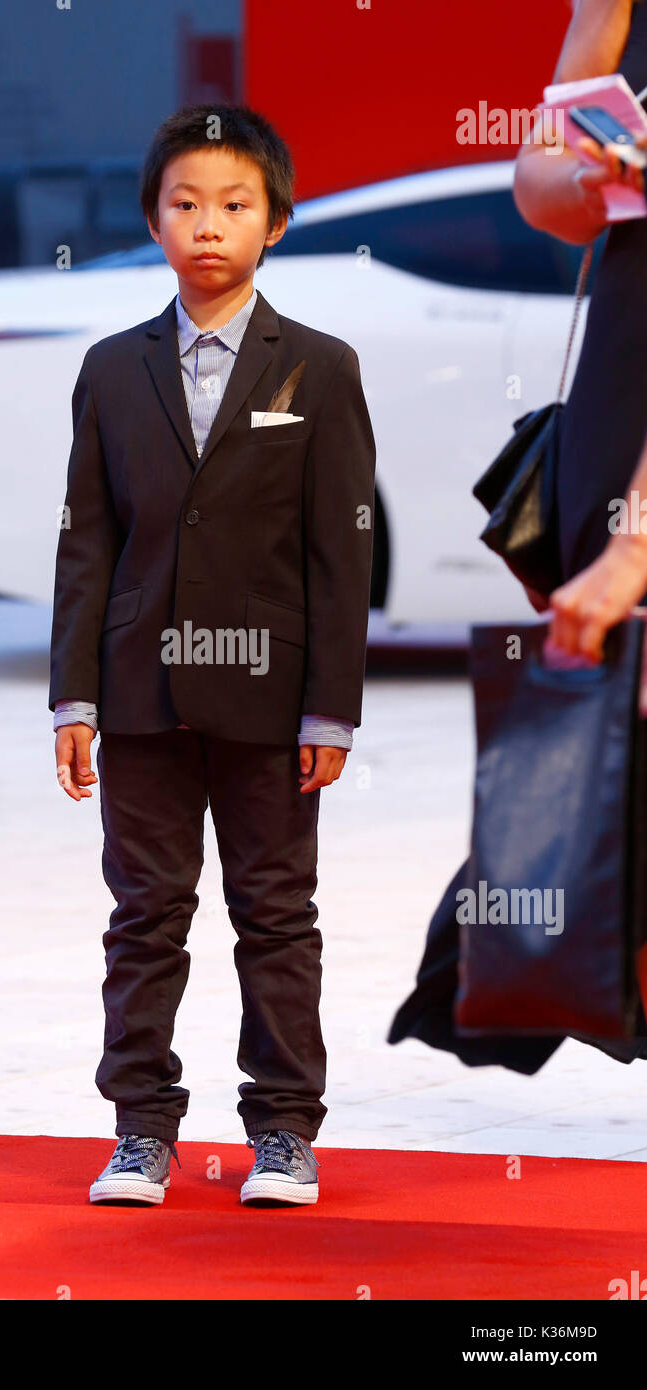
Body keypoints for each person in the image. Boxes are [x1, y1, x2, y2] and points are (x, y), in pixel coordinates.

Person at [49, 104, 376, 1205]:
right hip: (139, 693)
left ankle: (283, 1130)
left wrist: (331, 710)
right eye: (184, 203)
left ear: (276, 222)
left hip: (273, 698)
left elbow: (342, 552)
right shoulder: (108, 369)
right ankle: (140, 1128)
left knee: (276, 915)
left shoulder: (322, 370)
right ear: (152, 219)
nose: (208, 225)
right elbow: (86, 540)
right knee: (145, 913)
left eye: (235, 205)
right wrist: (73, 696)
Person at [389, 0, 647, 1071]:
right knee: (619, 796)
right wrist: (598, 176)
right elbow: (542, 187)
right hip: (618, 414)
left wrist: (634, 549)